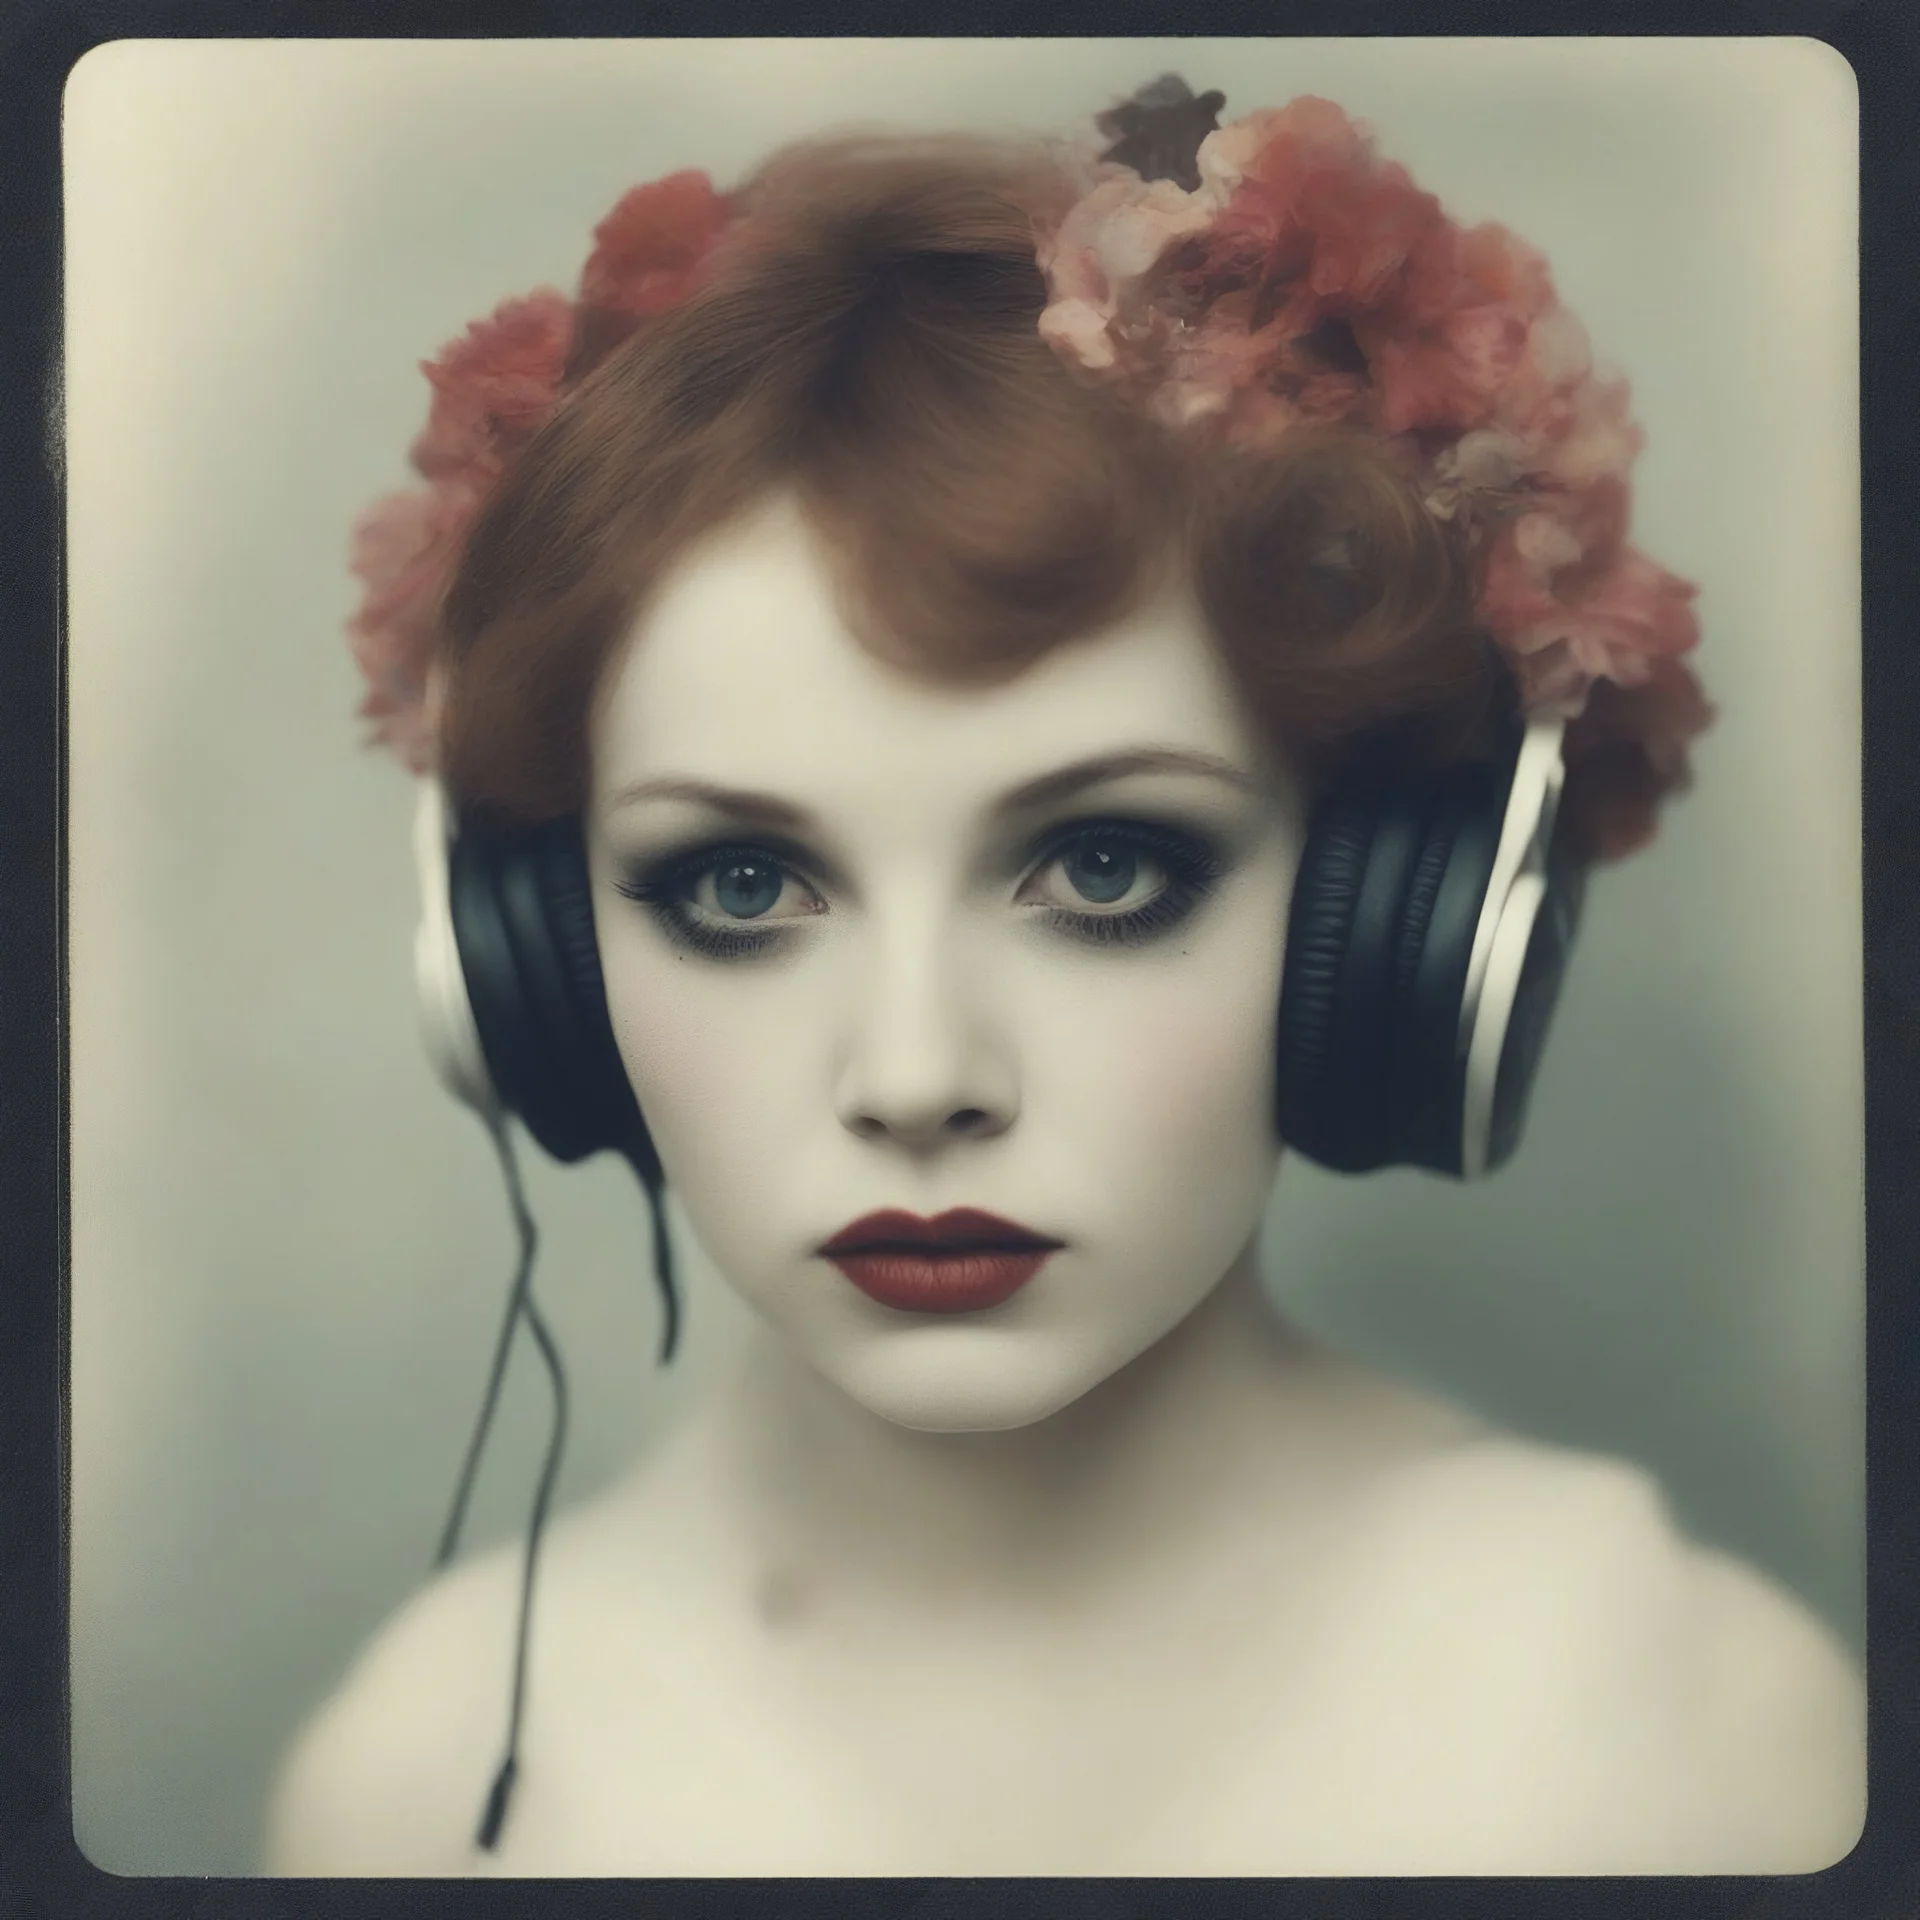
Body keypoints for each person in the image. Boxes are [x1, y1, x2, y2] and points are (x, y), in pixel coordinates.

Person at [267, 81, 1864, 1876]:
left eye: (1106, 867)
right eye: (736, 882)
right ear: (537, 964)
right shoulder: (419, 1786)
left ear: (1400, 917)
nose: (918, 1072)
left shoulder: (1698, 1736)